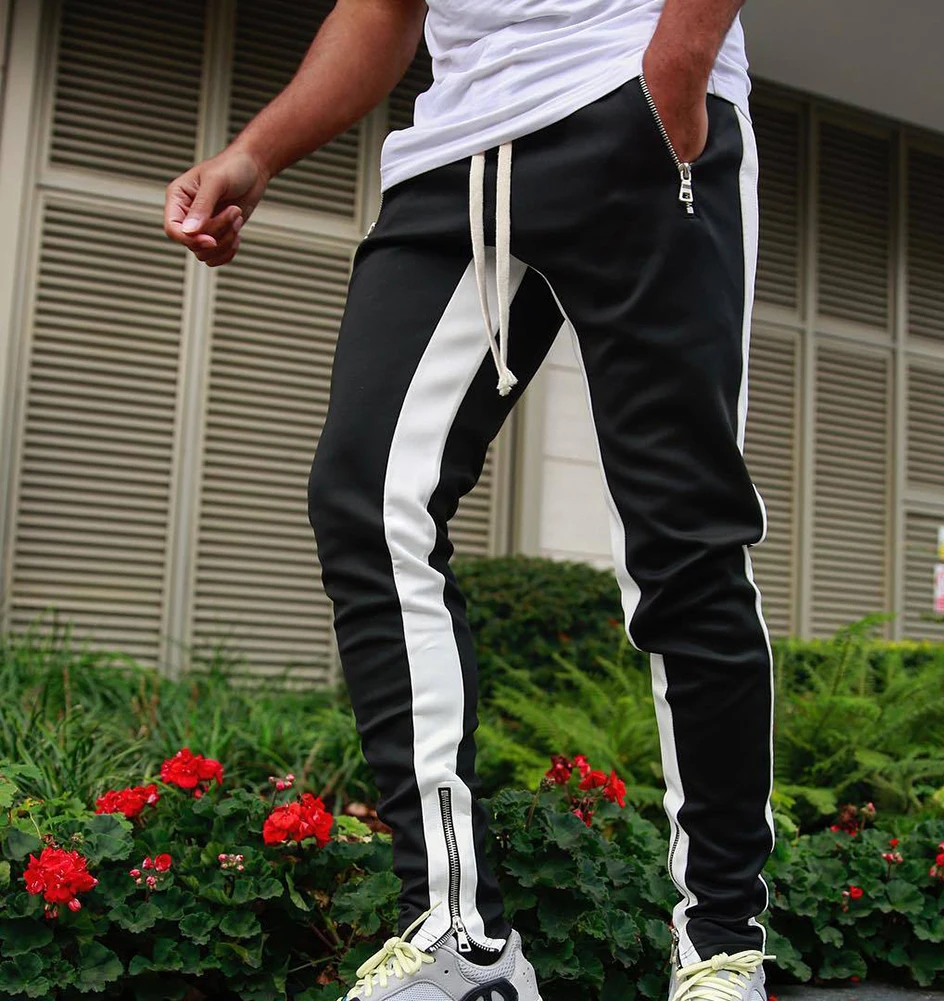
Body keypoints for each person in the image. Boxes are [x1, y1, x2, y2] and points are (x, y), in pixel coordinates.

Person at [164, 2, 775, 999]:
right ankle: (458, 937)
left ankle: (719, 942)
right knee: (366, 499)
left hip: (632, 95)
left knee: (682, 537)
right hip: (455, 150)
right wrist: (254, 152)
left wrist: (676, 65)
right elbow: (383, 9)